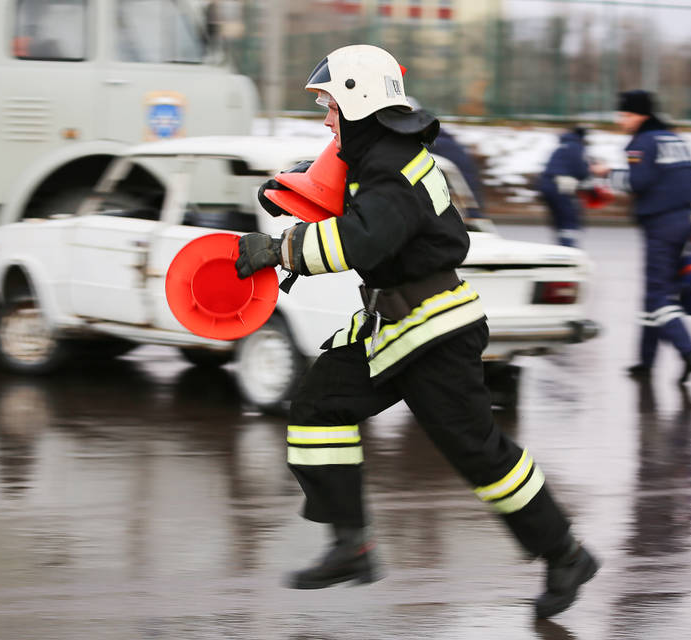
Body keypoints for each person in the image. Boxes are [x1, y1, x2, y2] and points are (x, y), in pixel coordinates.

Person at [234, 44, 598, 620]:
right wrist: (289, 189)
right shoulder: (377, 154)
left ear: (359, 98)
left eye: (330, 103)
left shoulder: (392, 165)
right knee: (315, 408)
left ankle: (565, 553)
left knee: (478, 453)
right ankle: (350, 545)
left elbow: (363, 240)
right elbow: (346, 202)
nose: (326, 116)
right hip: (392, 324)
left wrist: (278, 248)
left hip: (434, 332)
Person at [591, 90, 691, 384]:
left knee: (659, 297)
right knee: (654, 294)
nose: (622, 120)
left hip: (662, 225)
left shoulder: (643, 142)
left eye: (626, 115)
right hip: (687, 222)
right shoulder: (674, 139)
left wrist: (606, 174)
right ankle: (645, 362)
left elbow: (637, 182)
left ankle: (689, 352)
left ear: (641, 115)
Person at [537, 126, 590, 247]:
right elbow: (581, 169)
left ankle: (562, 245)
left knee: (559, 218)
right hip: (560, 187)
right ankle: (568, 247)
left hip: (546, 185)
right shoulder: (576, 147)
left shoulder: (561, 147)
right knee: (568, 217)